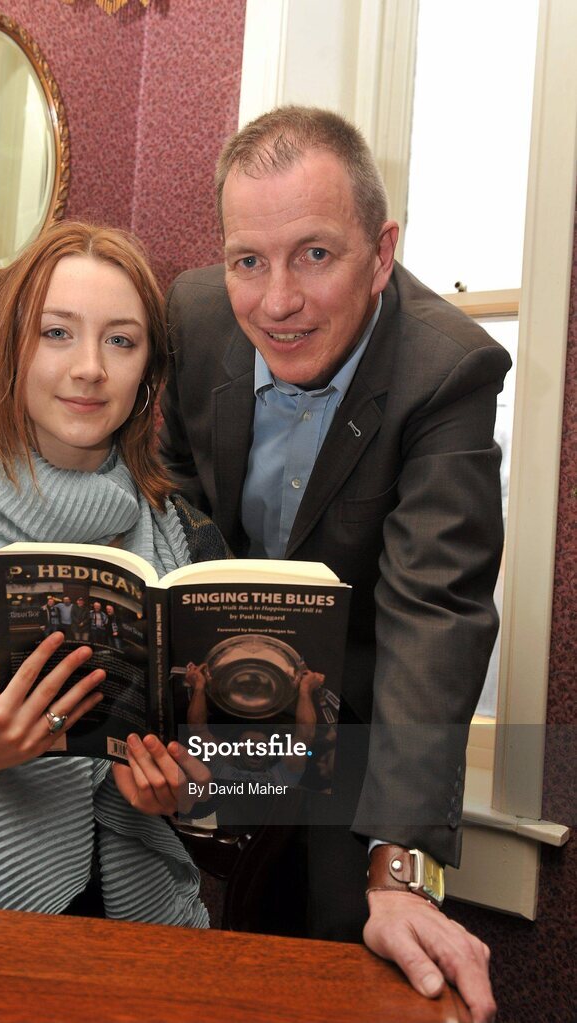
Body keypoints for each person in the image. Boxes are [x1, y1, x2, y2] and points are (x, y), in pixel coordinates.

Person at [159, 106, 510, 1021]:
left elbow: (436, 612)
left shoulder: (450, 371)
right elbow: (180, 472)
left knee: (343, 969)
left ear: (382, 251)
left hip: (357, 727)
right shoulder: (194, 317)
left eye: (316, 254)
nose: (277, 301)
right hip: (220, 703)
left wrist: (399, 863)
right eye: (250, 261)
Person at [0, 220, 223, 923]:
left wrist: (184, 793)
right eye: (57, 332)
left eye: (121, 340)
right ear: (12, 351)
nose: (91, 366)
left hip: (135, 922)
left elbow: (235, 788)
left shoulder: (192, 541)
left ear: (149, 375)